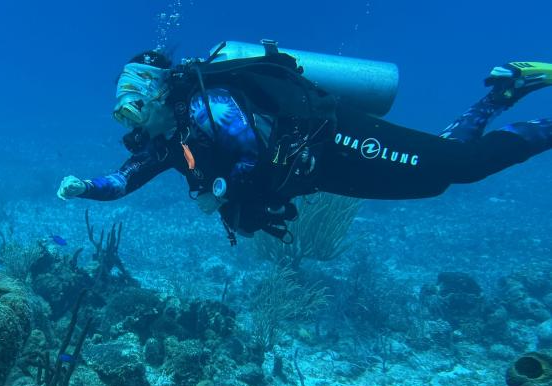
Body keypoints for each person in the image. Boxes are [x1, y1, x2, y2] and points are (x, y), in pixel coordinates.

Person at [57, 43, 552, 244]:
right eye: (124, 97)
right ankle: (502, 92)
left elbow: (252, 157)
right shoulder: (166, 141)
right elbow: (122, 180)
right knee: (435, 179)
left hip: (337, 139)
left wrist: (227, 194)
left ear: (160, 88)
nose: (129, 105)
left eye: (136, 93)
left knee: (460, 167)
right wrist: (84, 188)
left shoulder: (211, 107)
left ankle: (525, 106)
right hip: (322, 173)